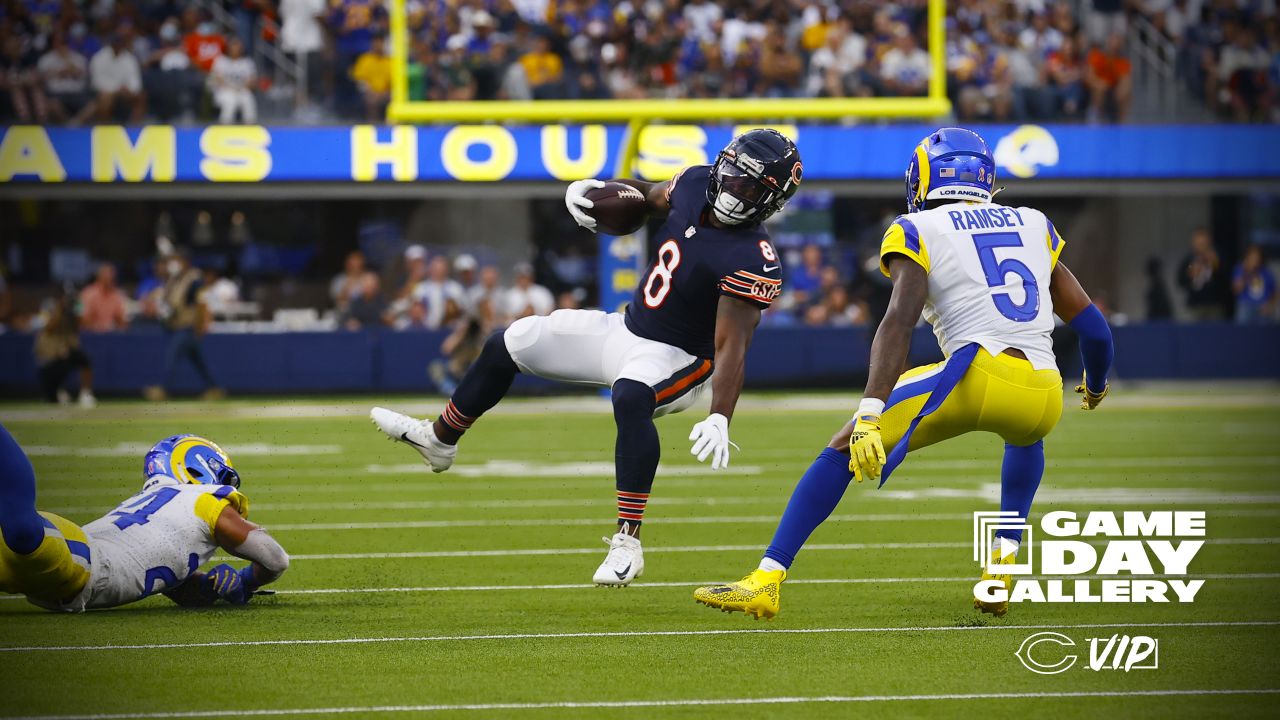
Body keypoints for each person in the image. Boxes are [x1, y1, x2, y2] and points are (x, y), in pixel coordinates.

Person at [694, 128, 1114, 619]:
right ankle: (999, 572)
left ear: (924, 177)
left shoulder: (918, 228)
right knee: (1025, 439)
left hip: (976, 375)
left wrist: (870, 412)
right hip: (1045, 392)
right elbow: (1096, 330)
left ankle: (765, 580)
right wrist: (1097, 383)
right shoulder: (1034, 223)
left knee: (842, 447)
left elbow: (898, 321)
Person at [371, 129, 802, 587]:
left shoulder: (754, 259)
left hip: (682, 358)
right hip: (626, 329)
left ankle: (627, 542)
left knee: (631, 396)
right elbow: (646, 194)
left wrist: (721, 415)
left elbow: (731, 345)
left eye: (751, 186)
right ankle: (439, 440)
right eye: (734, 173)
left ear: (770, 201)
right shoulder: (695, 182)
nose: (735, 188)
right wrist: (598, 189)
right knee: (510, 341)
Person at [0, 429, 289, 612]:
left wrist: (214, 587)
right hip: (78, 564)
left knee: (22, 543)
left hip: (57, 567)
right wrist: (247, 580)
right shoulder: (203, 500)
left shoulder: (159, 510)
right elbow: (275, 559)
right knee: (25, 533)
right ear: (197, 467)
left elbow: (174, 584)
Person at [144, 254, 223, 401]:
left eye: (177, 260)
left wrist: (201, 324)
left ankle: (162, 388)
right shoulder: (174, 279)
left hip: (188, 326)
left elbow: (202, 303)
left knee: (172, 356)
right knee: (198, 361)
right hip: (177, 325)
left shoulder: (194, 279)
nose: (174, 264)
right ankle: (214, 388)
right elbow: (168, 299)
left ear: (185, 262)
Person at [35, 295, 96, 408]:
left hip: (63, 359)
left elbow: (80, 320)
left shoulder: (70, 325)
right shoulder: (50, 323)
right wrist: (60, 307)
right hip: (49, 366)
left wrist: (78, 306)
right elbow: (50, 326)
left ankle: (85, 393)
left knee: (82, 359)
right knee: (51, 399)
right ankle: (57, 391)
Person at [38, 32, 95, 125]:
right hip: (56, 94)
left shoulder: (78, 58)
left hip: (76, 94)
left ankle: (74, 124)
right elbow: (42, 78)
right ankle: (66, 124)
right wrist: (59, 72)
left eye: (64, 43)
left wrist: (68, 62)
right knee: (52, 105)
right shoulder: (46, 59)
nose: (61, 45)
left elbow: (83, 74)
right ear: (54, 43)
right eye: (59, 42)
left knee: (93, 106)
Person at [89, 30, 144, 123]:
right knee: (105, 98)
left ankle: (135, 128)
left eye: (120, 42)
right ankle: (104, 128)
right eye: (116, 42)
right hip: (106, 92)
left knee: (141, 96)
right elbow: (97, 82)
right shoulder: (99, 58)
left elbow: (135, 81)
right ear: (111, 43)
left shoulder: (130, 59)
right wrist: (116, 89)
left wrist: (130, 89)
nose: (118, 45)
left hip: (125, 92)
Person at [1177, 228, 1230, 321]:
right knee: (1194, 334)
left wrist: (1214, 263)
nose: (1201, 246)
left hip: (1215, 305)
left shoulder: (1217, 256)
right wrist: (1190, 275)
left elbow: (1226, 277)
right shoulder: (1188, 259)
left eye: (1203, 243)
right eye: (1198, 243)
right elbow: (1180, 281)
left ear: (1209, 242)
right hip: (1195, 306)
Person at [209, 38, 256, 124]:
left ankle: (250, 125)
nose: (235, 50)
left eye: (237, 48)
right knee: (230, 100)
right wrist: (232, 87)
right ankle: (225, 126)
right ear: (228, 48)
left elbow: (251, 81)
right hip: (223, 90)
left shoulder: (247, 62)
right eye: (233, 47)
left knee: (247, 97)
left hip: (241, 89)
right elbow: (218, 78)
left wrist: (240, 88)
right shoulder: (220, 60)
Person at [350, 34, 390, 121]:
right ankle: (373, 125)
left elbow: (394, 82)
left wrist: (385, 92)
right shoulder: (365, 59)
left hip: (386, 93)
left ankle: (390, 128)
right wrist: (369, 91)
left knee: (394, 100)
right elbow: (359, 80)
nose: (378, 44)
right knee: (371, 100)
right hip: (369, 93)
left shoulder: (390, 60)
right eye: (375, 41)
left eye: (380, 41)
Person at [78, 263, 127, 332]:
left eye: (111, 277)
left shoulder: (118, 295)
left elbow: (122, 320)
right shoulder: (86, 293)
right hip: (89, 335)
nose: (109, 279)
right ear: (99, 277)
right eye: (106, 276)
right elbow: (79, 316)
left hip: (111, 335)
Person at [1233, 245, 1276, 323]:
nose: (1255, 259)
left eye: (1257, 257)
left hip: (1263, 308)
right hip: (1246, 307)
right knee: (1242, 332)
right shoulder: (1240, 270)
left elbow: (1275, 291)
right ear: (1247, 257)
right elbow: (1237, 289)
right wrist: (1247, 272)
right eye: (1252, 257)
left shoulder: (1266, 272)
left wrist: (1270, 304)